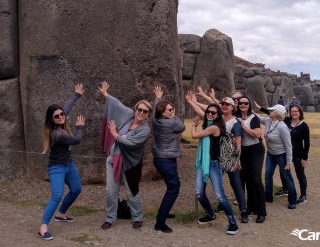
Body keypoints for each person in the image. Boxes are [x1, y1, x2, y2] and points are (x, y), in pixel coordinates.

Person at [98, 81, 152, 230]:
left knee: (132, 191)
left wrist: (115, 134)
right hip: (113, 160)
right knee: (111, 191)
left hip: (130, 164)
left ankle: (137, 217)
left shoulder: (144, 130)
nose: (141, 113)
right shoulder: (128, 115)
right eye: (139, 109)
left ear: (148, 115)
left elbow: (131, 143)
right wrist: (105, 94)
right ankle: (110, 218)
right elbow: (116, 104)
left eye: (145, 111)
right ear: (135, 110)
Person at [185, 93, 239, 235]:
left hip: (214, 164)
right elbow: (200, 111)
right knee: (199, 193)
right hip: (203, 163)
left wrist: (194, 125)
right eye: (208, 112)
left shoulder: (214, 127)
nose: (209, 114)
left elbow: (194, 136)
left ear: (217, 115)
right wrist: (191, 102)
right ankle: (210, 214)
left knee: (219, 195)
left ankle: (233, 222)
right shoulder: (209, 122)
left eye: (213, 113)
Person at [192, 89, 248, 223]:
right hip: (216, 157)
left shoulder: (235, 122)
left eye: (226, 104)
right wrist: (193, 101)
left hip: (229, 156)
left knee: (235, 183)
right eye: (222, 104)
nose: (223, 106)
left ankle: (243, 210)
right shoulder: (219, 118)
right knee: (216, 190)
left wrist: (237, 158)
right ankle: (218, 209)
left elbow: (238, 141)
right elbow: (207, 110)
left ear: (232, 107)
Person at [38, 84, 86, 241]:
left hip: (68, 164)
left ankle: (61, 214)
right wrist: (80, 127)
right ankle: (43, 227)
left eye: (61, 114)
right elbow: (77, 140)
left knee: (76, 189)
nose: (61, 117)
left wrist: (76, 95)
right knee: (56, 195)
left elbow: (66, 109)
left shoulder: (61, 120)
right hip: (56, 167)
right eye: (56, 116)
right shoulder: (58, 134)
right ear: (52, 120)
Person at [151, 85, 185, 233]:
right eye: (170, 110)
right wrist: (174, 115)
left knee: (171, 187)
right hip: (166, 160)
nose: (172, 111)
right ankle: (160, 221)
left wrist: (158, 98)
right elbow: (182, 126)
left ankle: (164, 212)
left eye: (172, 109)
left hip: (160, 158)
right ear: (163, 113)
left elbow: (154, 110)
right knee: (174, 188)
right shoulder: (171, 123)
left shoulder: (155, 120)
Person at [255, 103, 297, 209]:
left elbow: (288, 146)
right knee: (268, 174)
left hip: (281, 155)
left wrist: (289, 161)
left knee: (287, 177)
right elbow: (258, 118)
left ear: (277, 113)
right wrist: (248, 109)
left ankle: (292, 200)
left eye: (272, 110)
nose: (270, 111)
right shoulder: (268, 121)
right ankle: (268, 196)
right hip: (270, 153)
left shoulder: (283, 128)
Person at [235, 96, 266, 223]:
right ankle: (250, 207)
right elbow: (221, 109)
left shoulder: (254, 118)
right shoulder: (235, 116)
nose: (243, 105)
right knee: (244, 179)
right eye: (241, 103)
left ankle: (261, 211)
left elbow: (257, 134)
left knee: (256, 179)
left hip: (255, 150)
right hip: (244, 151)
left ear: (249, 105)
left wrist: (243, 126)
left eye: (245, 103)